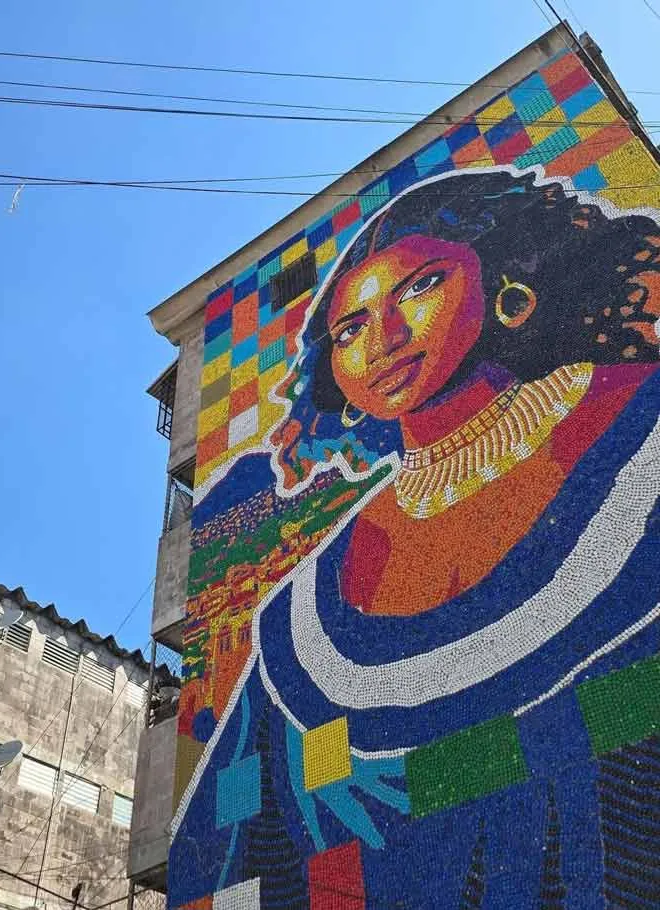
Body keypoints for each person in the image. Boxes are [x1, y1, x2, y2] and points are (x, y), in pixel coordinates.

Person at [169, 168, 660, 909]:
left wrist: (434, 783)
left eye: (420, 287)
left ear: (507, 285)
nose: (382, 339)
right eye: (349, 329)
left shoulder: (642, 429)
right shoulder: (298, 628)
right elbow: (226, 846)